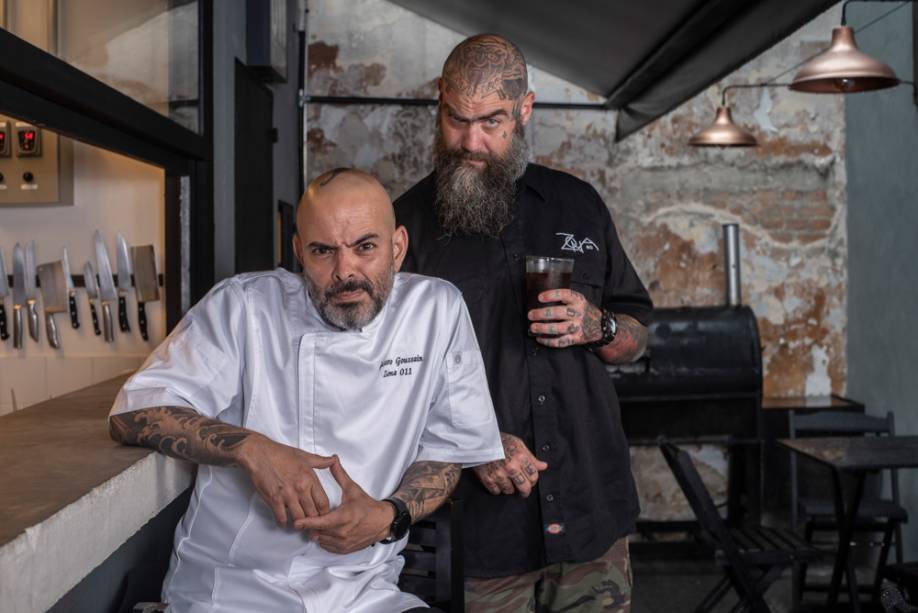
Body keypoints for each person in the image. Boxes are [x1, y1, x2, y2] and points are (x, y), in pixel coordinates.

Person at [109, 168, 504, 613]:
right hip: (233, 591)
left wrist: (388, 516)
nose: (344, 271)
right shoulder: (243, 306)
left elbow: (447, 450)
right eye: (322, 251)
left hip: (365, 592)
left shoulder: (437, 310)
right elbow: (134, 412)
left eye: (365, 247)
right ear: (299, 252)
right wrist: (253, 449)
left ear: (397, 247)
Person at [394, 35, 653, 612]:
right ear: (439, 101)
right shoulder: (403, 227)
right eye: (457, 119)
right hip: (482, 530)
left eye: (492, 122)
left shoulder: (579, 205)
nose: (471, 142)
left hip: (591, 512)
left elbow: (635, 333)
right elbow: (387, 381)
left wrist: (600, 328)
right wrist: (476, 442)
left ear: (525, 109)